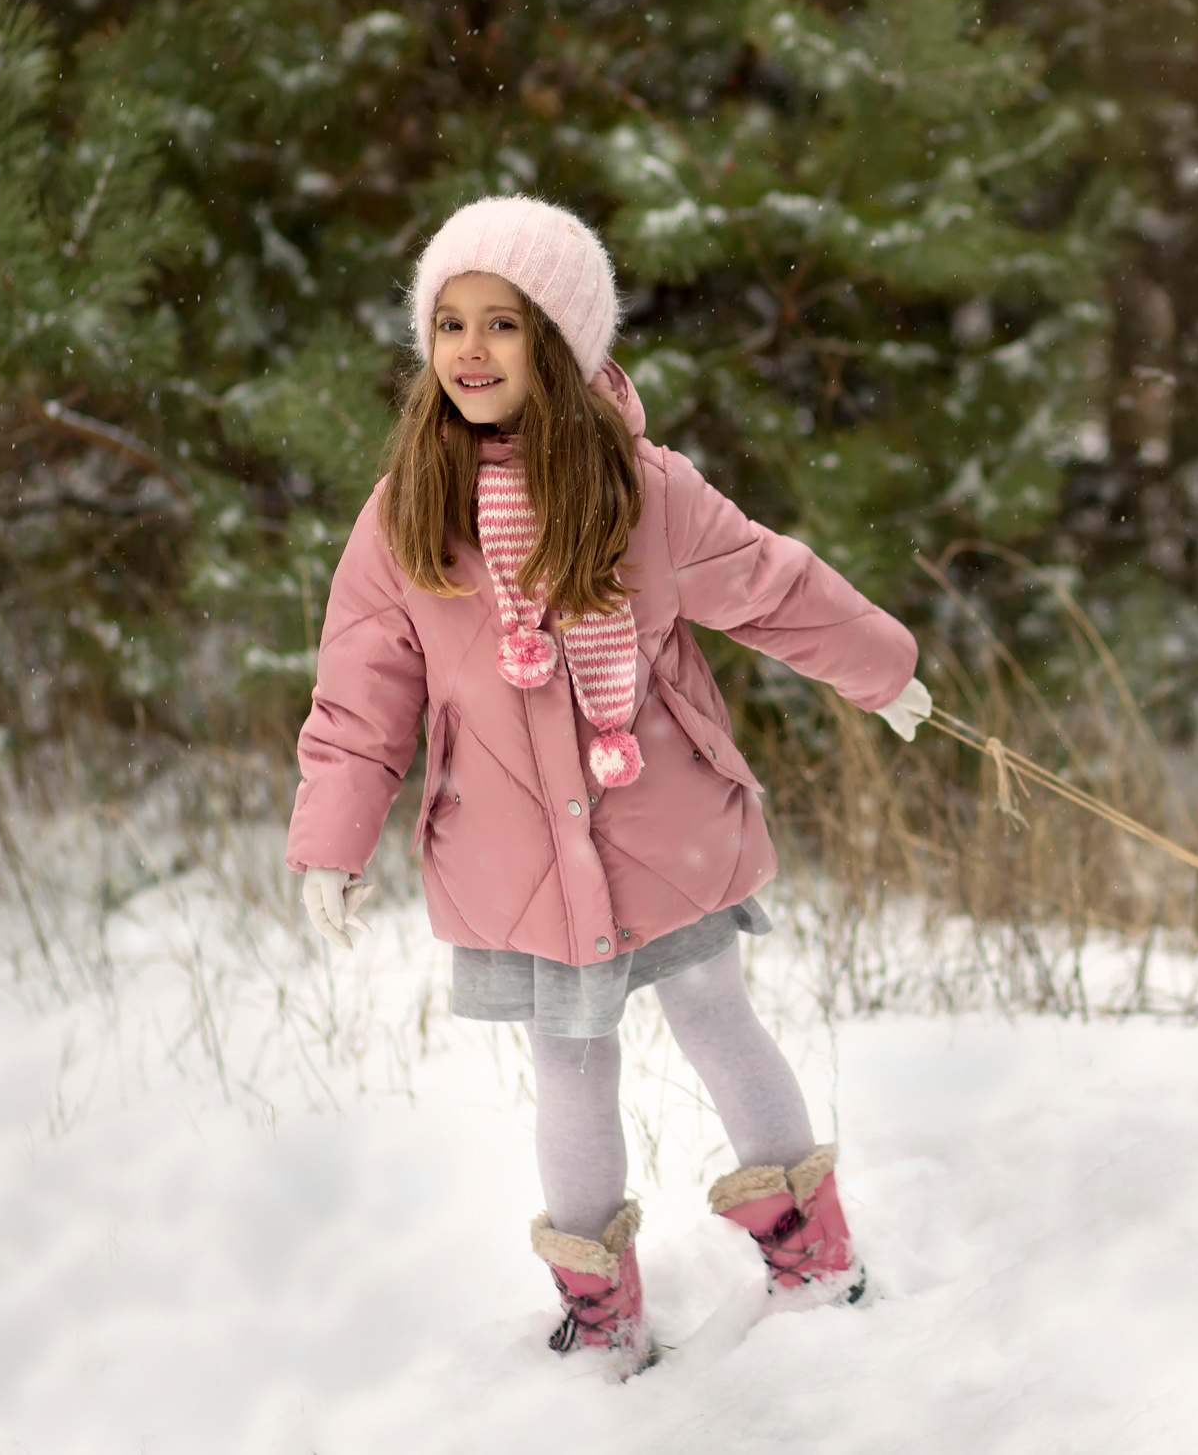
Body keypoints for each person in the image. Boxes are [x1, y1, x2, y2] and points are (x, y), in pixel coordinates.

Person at [284, 195, 931, 1371]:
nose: (471, 351)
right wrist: (330, 839)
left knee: (716, 1018)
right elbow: (361, 689)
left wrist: (880, 671)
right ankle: (602, 1312)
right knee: (569, 1068)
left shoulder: (643, 488)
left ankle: (811, 1252)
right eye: (449, 324)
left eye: (504, 325)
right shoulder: (405, 514)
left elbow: (770, 585)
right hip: (512, 855)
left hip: (660, 826)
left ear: (564, 343)